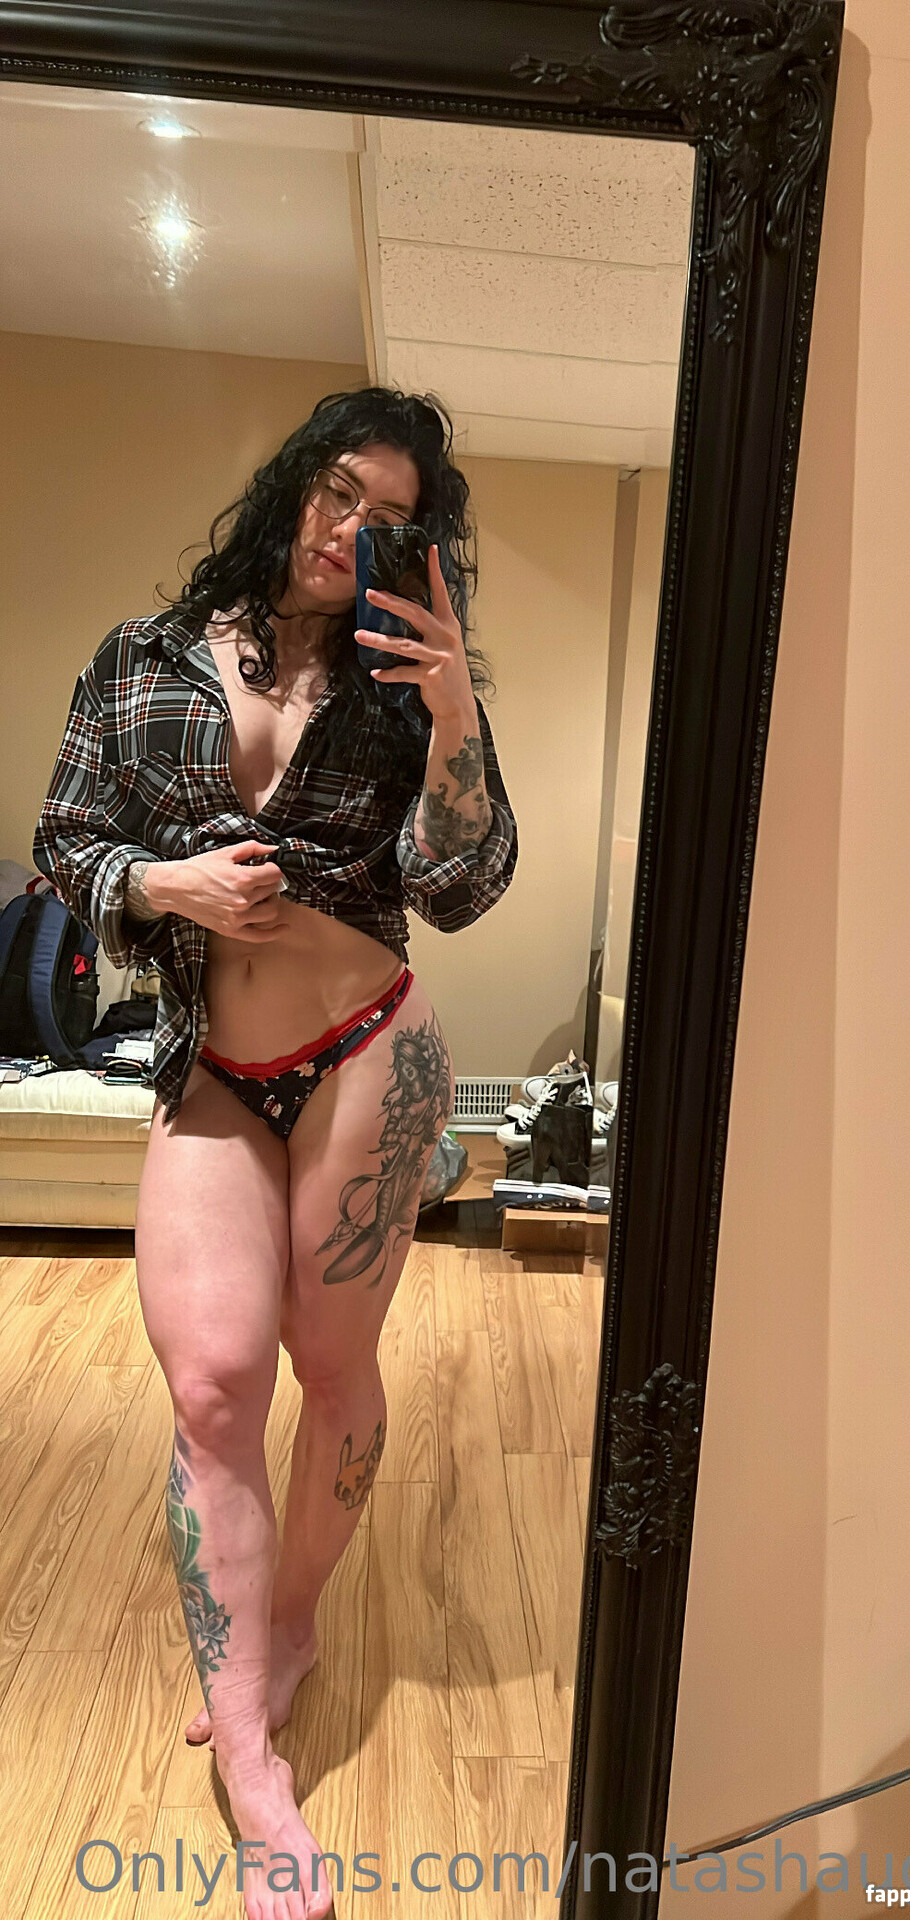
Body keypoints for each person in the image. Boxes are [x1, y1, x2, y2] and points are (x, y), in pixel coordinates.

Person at [34, 387, 517, 1920]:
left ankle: (290, 1619)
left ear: (417, 544)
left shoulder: (408, 680)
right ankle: (249, 1743)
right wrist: (163, 885)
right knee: (214, 1383)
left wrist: (455, 714)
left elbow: (460, 882)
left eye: (389, 518)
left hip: (369, 1045)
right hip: (213, 1067)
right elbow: (68, 839)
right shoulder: (143, 658)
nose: (349, 528)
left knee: (334, 1363)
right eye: (337, 491)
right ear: (294, 486)